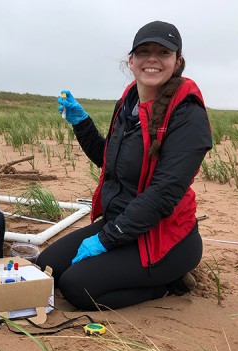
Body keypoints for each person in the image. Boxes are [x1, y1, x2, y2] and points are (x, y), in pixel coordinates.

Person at [36, 21, 212, 310]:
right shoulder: (129, 102)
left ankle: (167, 284)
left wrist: (105, 239)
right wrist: (82, 124)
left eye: (163, 52)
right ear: (131, 61)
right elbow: (112, 162)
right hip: (122, 223)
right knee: (48, 267)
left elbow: (163, 195)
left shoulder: (187, 115)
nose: (152, 59)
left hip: (164, 238)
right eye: (144, 51)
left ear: (177, 62)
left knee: (77, 287)